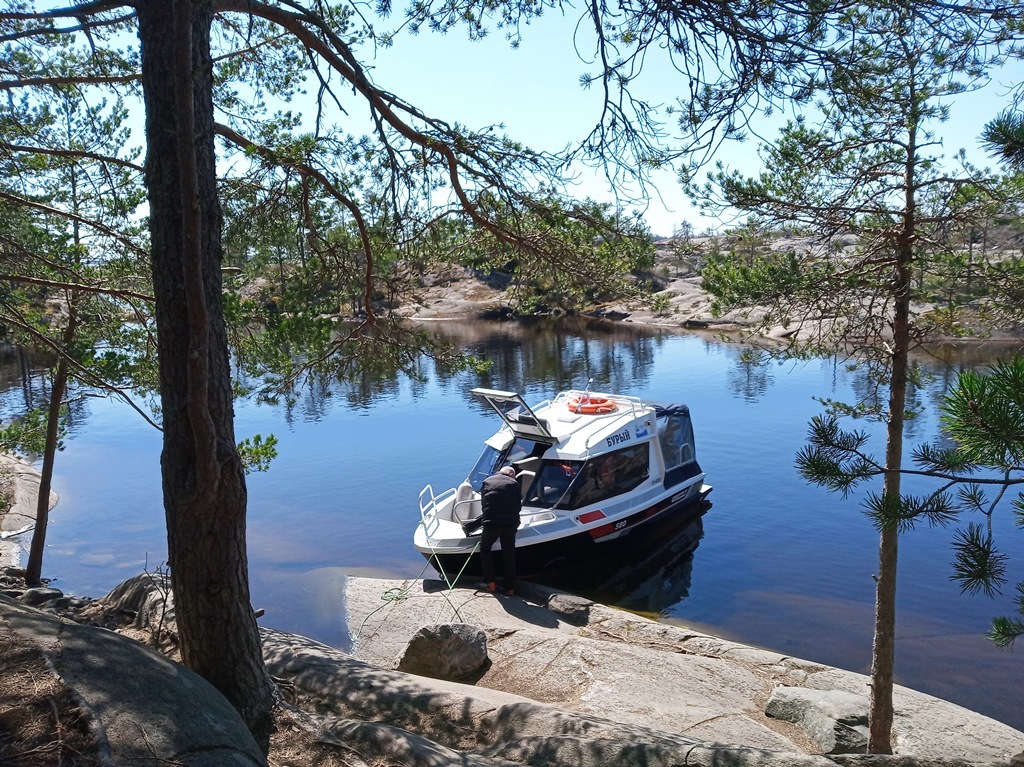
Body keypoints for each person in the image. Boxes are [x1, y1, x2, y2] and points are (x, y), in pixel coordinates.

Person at [478, 465, 521, 596]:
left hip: (491, 523)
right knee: (508, 554)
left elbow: (483, 503)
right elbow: (518, 505)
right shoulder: (514, 483)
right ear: (511, 475)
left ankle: (490, 583)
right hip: (510, 524)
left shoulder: (487, 482)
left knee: (485, 549)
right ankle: (510, 588)